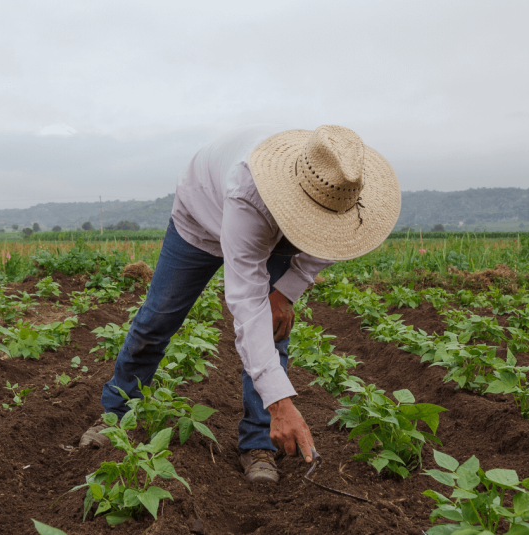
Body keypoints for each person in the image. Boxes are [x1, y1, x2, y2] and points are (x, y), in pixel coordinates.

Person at [80, 125, 401, 483]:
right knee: (157, 319)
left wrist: (286, 292)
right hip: (202, 216)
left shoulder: (346, 191)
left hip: (277, 231)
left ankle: (258, 442)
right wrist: (282, 403)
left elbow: (331, 247)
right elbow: (247, 306)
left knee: (274, 329)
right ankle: (115, 414)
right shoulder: (250, 191)